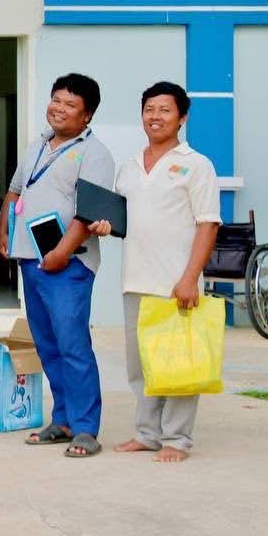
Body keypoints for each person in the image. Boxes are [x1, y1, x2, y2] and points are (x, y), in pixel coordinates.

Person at [89, 82, 220, 463]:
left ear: (182, 117)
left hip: (176, 283)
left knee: (178, 363)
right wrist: (106, 227)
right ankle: (147, 434)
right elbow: (125, 220)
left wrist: (189, 277)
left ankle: (176, 440)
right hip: (135, 279)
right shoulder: (129, 166)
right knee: (141, 365)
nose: (155, 116)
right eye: (149, 109)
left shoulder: (196, 164)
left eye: (165, 110)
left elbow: (208, 224)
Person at [0, 74, 115, 459]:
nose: (59, 108)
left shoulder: (93, 152)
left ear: (87, 115)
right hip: (32, 260)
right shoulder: (38, 144)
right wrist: (4, 231)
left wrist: (63, 252)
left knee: (73, 345)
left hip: (68, 265)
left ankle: (85, 428)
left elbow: (89, 211)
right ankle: (62, 420)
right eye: (56, 100)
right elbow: (16, 190)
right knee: (48, 345)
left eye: (70, 104)